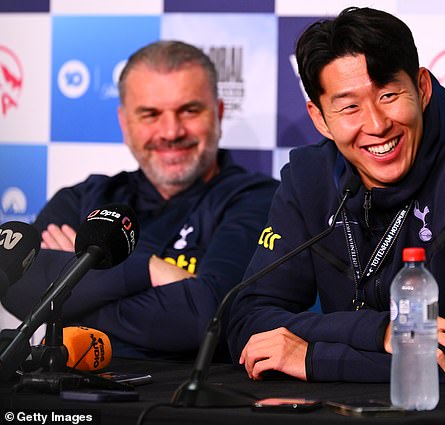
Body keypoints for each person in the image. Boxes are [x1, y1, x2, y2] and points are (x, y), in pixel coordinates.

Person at [227, 7, 445, 382]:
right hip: (361, 405)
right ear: (320, 118)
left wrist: (314, 359)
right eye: (349, 107)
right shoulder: (309, 179)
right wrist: (380, 333)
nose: (376, 124)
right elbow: (248, 320)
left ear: (422, 88)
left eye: (388, 95)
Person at [1, 40, 279, 360]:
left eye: (189, 110)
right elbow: (16, 287)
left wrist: (64, 302)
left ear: (217, 113)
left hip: (191, 401)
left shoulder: (259, 199)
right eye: (150, 114)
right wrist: (148, 270)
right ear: (124, 122)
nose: (171, 131)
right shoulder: (83, 198)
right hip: (68, 394)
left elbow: (206, 315)